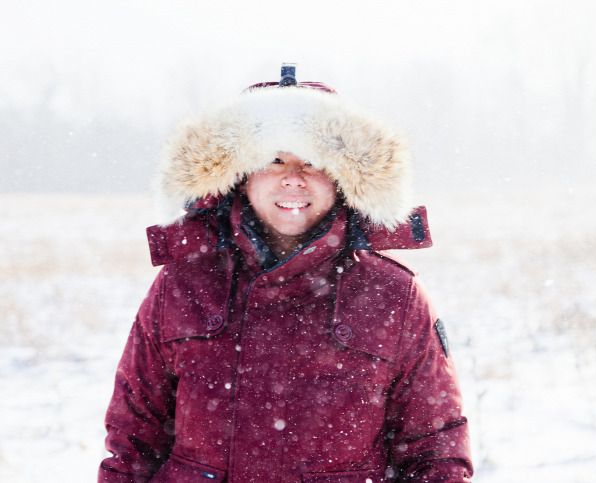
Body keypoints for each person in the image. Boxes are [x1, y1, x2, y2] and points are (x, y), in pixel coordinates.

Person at [99, 65, 473, 482]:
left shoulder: (393, 294)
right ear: (240, 177)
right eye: (274, 160)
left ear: (342, 179)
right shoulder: (182, 284)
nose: (293, 178)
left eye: (312, 162)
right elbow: (132, 440)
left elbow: (436, 448)